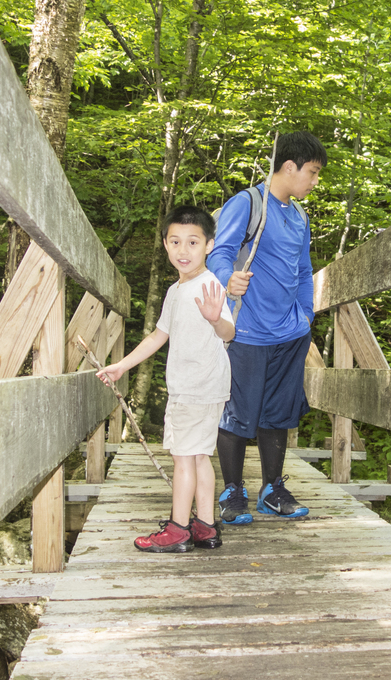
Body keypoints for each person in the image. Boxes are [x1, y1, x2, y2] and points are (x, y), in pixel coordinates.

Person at [96, 206, 235, 552]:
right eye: (175, 241)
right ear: (165, 244)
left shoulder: (208, 285)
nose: (183, 250)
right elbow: (158, 336)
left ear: (209, 245)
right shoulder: (176, 290)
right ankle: (205, 527)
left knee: (184, 458)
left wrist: (215, 318)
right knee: (199, 456)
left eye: (193, 242)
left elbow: (228, 333)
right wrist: (122, 366)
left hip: (197, 387)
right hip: (204, 387)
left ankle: (178, 529)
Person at [208, 131, 325, 524]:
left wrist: (305, 315)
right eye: (312, 172)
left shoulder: (300, 217)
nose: (315, 181)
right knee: (237, 414)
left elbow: (304, 270)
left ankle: (272, 490)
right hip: (247, 330)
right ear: (289, 167)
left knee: (278, 413)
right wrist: (227, 278)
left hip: (290, 333)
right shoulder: (248, 203)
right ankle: (232, 492)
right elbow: (220, 252)